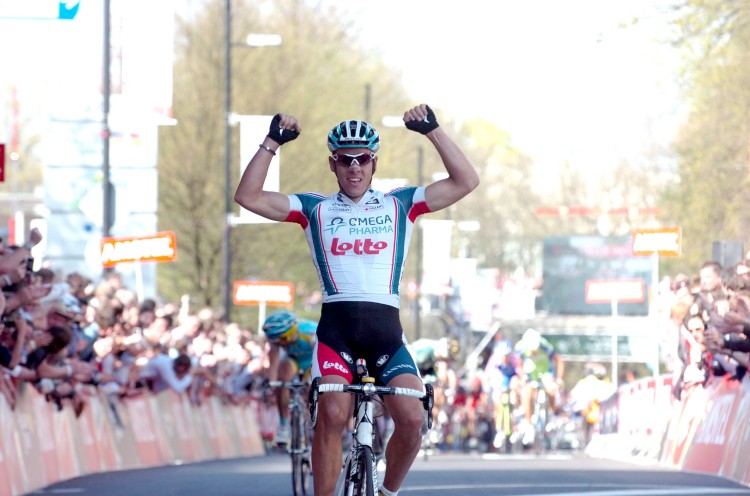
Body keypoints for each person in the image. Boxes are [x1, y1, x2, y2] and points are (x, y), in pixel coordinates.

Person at [234, 104, 479, 496]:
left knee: (413, 419)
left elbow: (466, 181)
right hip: (338, 333)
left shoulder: (400, 204)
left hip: (387, 336)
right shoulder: (314, 208)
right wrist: (272, 142)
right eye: (345, 159)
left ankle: (386, 492)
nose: (354, 167)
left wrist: (432, 130)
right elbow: (247, 196)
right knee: (332, 414)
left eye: (362, 159)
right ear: (332, 164)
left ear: (374, 163)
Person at [261, 310, 317, 444]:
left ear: (289, 334)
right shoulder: (277, 338)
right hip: (294, 361)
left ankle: (313, 420)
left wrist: (311, 381)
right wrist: (272, 385)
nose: (280, 345)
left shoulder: (311, 333)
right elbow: (273, 365)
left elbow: (320, 360)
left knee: (311, 389)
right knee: (283, 376)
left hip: (313, 361)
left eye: (281, 342)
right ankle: (284, 425)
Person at [514, 328, 565, 445]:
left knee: (551, 389)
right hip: (531, 373)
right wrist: (522, 376)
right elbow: (519, 364)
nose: (534, 352)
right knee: (527, 393)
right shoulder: (521, 347)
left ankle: (551, 416)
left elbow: (559, 361)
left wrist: (559, 379)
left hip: (546, 372)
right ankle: (529, 426)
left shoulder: (545, 346)